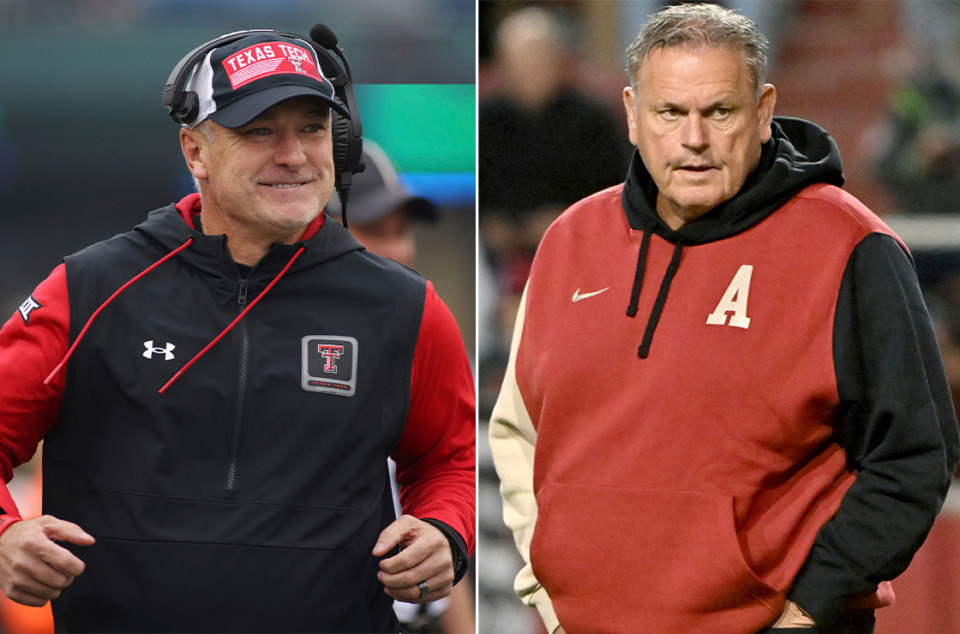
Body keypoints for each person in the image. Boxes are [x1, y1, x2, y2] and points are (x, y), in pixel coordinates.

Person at [488, 4, 959, 633]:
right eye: (669, 113)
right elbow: (519, 433)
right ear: (631, 114)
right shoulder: (569, 241)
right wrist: (548, 593)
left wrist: (809, 607)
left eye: (719, 112)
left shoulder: (848, 247)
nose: (693, 140)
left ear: (763, 111)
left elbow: (914, 455)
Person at [0, 28, 475, 633]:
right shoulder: (89, 288)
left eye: (310, 127)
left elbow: (447, 461)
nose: (295, 155)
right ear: (195, 151)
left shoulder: (408, 306)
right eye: (259, 131)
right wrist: (4, 537)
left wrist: (443, 530)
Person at [326, 140, 477, 634]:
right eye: (374, 230)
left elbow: (438, 490)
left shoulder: (419, 340)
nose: (398, 250)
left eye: (402, 230)